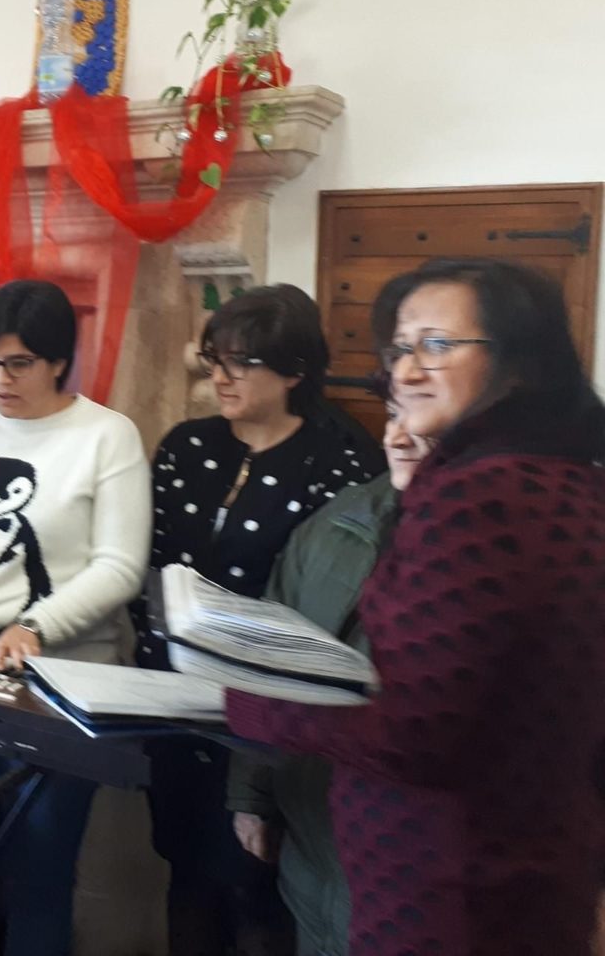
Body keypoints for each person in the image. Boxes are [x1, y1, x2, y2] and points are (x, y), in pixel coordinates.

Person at [228, 258, 605, 955]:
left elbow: (412, 732)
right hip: (535, 866)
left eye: (437, 345)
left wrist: (250, 704)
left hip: (446, 883)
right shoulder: (575, 482)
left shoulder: (477, 494)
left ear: (518, 362)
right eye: (400, 349)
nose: (405, 372)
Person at [0, 279, 150, 956]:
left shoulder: (107, 437)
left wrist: (36, 626)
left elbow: (120, 566)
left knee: (42, 877)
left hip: (63, 680)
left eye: (19, 364)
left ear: (59, 361)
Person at [135, 283, 385, 956]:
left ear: (295, 371)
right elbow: (154, 567)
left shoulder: (342, 461)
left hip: (271, 712)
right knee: (185, 870)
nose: (220, 376)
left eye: (242, 363)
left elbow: (331, 606)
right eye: (215, 358)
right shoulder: (187, 446)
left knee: (256, 888)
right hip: (173, 703)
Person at [227, 396, 431, 956]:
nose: (397, 437)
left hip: (407, 866)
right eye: (394, 413)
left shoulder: (500, 549)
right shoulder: (340, 520)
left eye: (425, 422)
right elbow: (269, 654)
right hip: (312, 848)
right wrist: (253, 794)